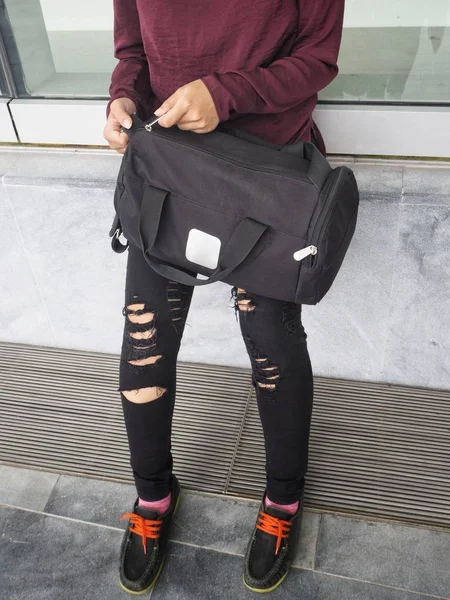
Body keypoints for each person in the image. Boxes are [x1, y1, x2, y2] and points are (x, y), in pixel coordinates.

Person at [104, 0, 345, 594]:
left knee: (272, 346)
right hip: (170, 169)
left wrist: (224, 94)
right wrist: (122, 99)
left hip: (266, 173)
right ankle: (153, 493)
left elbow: (317, 59)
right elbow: (133, 52)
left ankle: (283, 499)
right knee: (145, 342)